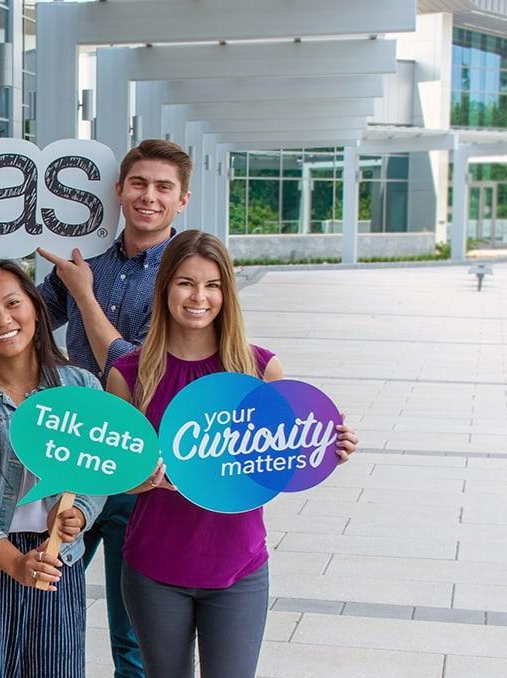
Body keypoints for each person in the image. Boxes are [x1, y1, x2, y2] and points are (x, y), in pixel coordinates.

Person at [0, 139, 195, 678]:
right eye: (139, 183)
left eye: (163, 187)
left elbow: (136, 365)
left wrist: (82, 295)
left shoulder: (182, 279)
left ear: (182, 199)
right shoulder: (84, 265)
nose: (148, 197)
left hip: (133, 463)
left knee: (133, 633)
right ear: (118, 189)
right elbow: (5, 309)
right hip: (12, 528)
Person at [105, 230, 359, 678]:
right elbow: (114, 476)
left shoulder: (261, 370)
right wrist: (144, 479)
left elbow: (288, 453)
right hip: (154, 569)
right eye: (185, 282)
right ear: (165, 288)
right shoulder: (129, 373)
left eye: (213, 285)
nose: (199, 297)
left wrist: (327, 447)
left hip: (238, 567)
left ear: (227, 292)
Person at [0, 260, 106, 678]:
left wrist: (78, 513)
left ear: (35, 307)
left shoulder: (80, 388)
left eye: (13, 303)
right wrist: (13, 563)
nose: (3, 320)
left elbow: (98, 473)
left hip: (55, 564)